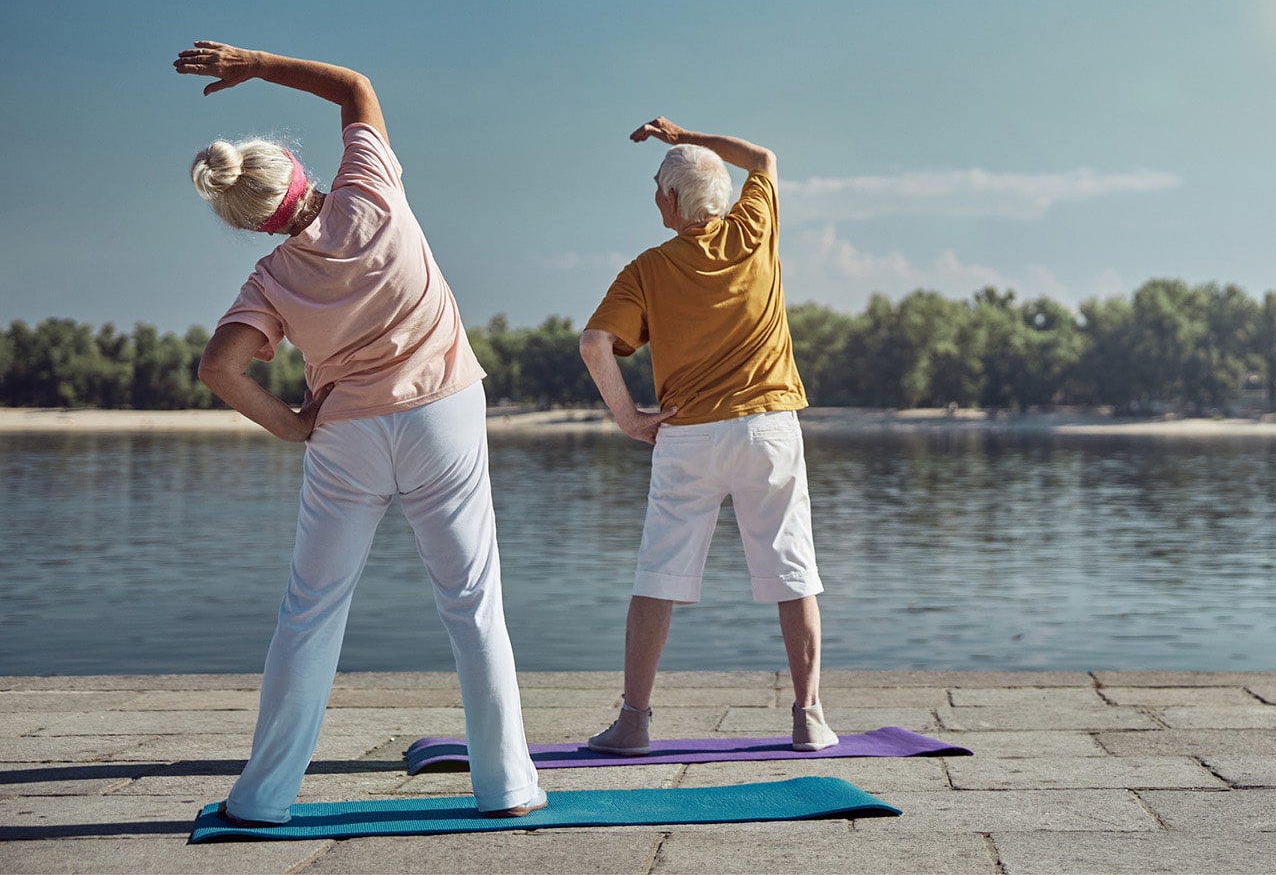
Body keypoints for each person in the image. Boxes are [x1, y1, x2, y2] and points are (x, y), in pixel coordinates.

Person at [173, 41, 545, 825]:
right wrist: (252, 63)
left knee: (310, 610)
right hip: (442, 412)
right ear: (297, 174)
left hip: (346, 434)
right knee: (472, 602)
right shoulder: (370, 191)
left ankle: (262, 797)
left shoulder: (270, 277)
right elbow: (354, 86)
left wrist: (294, 425)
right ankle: (506, 787)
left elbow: (219, 366)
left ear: (249, 222)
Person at [579, 116, 837, 754]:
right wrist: (687, 136)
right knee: (791, 569)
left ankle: (634, 722)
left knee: (658, 575)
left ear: (670, 203)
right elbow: (764, 155)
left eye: (657, 191)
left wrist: (630, 420)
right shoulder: (754, 228)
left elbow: (594, 344)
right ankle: (808, 719)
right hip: (769, 429)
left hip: (688, 436)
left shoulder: (646, 269)